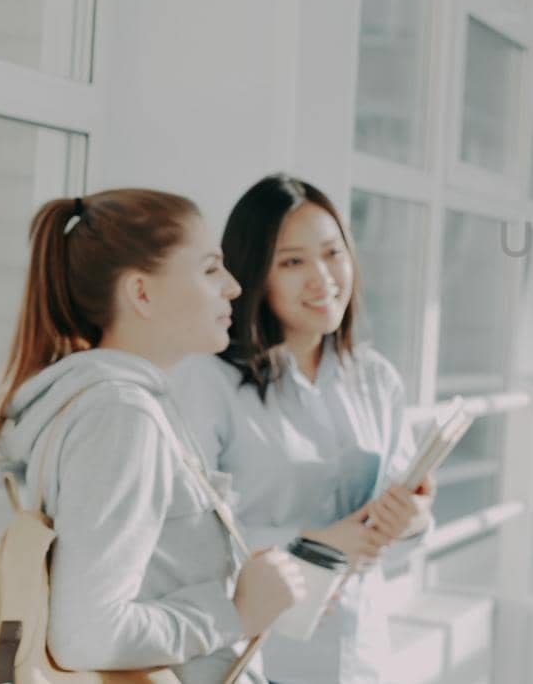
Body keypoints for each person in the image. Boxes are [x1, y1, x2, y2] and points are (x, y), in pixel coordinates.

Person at [0, 189, 304, 682]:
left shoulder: (112, 404)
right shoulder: (121, 416)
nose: (233, 286)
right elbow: (87, 632)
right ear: (141, 294)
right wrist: (235, 612)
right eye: (210, 269)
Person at [171, 173, 434, 684]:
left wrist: (414, 520)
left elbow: (395, 536)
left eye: (332, 253)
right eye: (293, 262)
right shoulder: (208, 381)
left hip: (360, 656)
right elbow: (184, 540)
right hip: (253, 656)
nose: (323, 277)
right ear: (254, 273)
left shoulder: (376, 379)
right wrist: (314, 544)